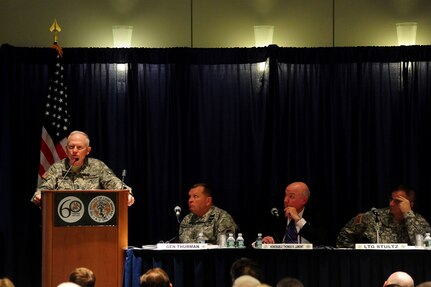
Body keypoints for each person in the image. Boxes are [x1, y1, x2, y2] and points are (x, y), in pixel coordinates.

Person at [31, 130, 135, 207]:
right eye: (71, 147)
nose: (74, 151)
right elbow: (44, 188)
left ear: (88, 150)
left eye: (79, 147)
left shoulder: (97, 166)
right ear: (66, 149)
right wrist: (40, 195)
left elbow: (113, 181)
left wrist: (126, 193)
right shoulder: (56, 168)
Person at [336, 184, 431, 248]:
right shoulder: (373, 217)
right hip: (375, 266)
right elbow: (344, 237)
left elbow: (423, 246)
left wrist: (408, 214)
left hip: (406, 269)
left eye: (397, 201)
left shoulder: (419, 221)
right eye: (391, 199)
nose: (391, 204)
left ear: (410, 205)